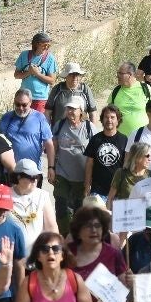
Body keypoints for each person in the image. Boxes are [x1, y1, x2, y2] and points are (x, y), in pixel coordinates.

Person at [52, 97, 94, 232]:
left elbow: (95, 154)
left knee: (79, 211)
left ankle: (77, 238)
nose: (70, 111)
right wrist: (51, 168)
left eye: (74, 109)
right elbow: (53, 148)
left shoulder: (89, 127)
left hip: (82, 177)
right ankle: (64, 237)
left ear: (81, 111)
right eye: (68, 108)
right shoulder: (59, 125)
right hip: (62, 174)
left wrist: (92, 179)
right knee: (61, 207)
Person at [0, 88, 55, 170]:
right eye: (17, 104)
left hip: (32, 171)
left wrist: (51, 167)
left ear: (30, 102)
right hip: (10, 170)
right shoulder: (6, 117)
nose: (21, 108)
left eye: (24, 105)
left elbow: (49, 144)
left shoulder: (39, 117)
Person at [11, 158, 57, 252]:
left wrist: (53, 250)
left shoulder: (42, 195)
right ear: (19, 177)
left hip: (36, 255)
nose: (35, 181)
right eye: (32, 177)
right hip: (11, 255)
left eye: (37, 177)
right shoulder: (6, 195)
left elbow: (51, 228)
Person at [84, 105, 127, 201]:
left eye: (112, 117)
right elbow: (89, 164)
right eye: (106, 117)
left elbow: (126, 166)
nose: (109, 120)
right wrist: (87, 186)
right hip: (97, 191)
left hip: (117, 192)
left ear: (118, 120)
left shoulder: (124, 140)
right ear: (102, 119)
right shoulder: (95, 139)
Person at [109, 62, 151, 137]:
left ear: (130, 75)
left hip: (143, 138)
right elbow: (109, 114)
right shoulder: (116, 91)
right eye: (118, 73)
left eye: (121, 73)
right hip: (120, 139)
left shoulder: (146, 89)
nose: (117, 76)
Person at [15, 31, 58, 113]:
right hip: (24, 97)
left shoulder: (50, 58)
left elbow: (52, 80)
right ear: (36, 44)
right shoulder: (24, 55)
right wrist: (29, 72)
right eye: (44, 45)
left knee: (36, 122)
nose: (47, 48)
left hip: (40, 98)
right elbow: (16, 75)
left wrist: (37, 74)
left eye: (49, 45)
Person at [107, 142, 151, 211]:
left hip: (144, 217)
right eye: (147, 156)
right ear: (137, 156)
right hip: (124, 216)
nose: (150, 159)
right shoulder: (121, 173)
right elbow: (110, 198)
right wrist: (109, 216)